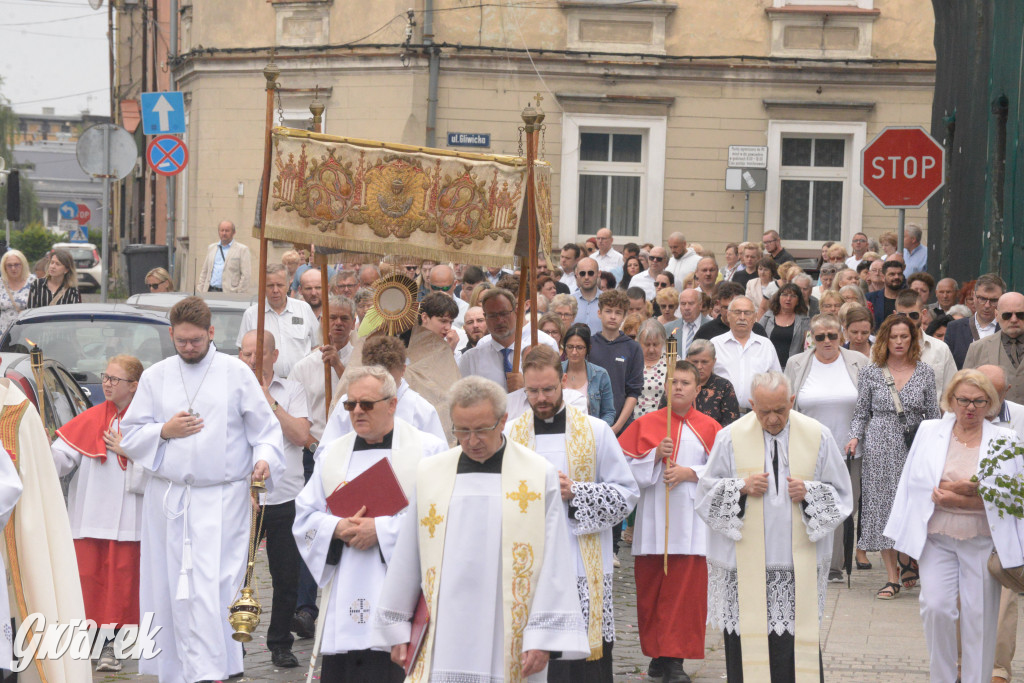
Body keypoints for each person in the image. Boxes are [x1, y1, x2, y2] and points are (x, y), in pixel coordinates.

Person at [374, 376, 590, 679]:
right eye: (462, 430)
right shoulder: (430, 473)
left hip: (509, 633)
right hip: (443, 628)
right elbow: (409, 556)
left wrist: (543, 639)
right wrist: (398, 627)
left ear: (502, 420)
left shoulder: (537, 474)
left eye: (481, 430)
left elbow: (555, 559)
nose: (472, 441)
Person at [120, 296, 286, 683]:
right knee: (169, 589)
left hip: (222, 500)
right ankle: (174, 672)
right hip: (169, 500)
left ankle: (218, 670)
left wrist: (263, 459)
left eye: (196, 340)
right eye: (182, 341)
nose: (189, 348)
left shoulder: (236, 373)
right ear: (171, 335)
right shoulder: (157, 376)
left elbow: (265, 431)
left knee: (214, 590)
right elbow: (129, 433)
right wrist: (164, 430)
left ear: (211, 333)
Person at [697, 371, 852, 682]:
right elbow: (705, 496)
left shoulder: (817, 435)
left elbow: (842, 495)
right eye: (763, 411)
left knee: (796, 646)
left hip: (798, 566)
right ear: (752, 405)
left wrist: (810, 492)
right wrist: (740, 487)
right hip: (745, 565)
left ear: (791, 401)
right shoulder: (731, 436)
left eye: (779, 410)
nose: (771, 419)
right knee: (746, 645)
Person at [293, 366, 446, 682]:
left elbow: (441, 517)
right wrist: (335, 528)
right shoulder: (332, 454)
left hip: (404, 591)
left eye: (367, 404)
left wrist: (381, 530)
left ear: (392, 404)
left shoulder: (427, 450)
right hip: (347, 585)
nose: (357, 411)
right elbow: (306, 516)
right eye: (350, 405)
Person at [505, 347, 639, 680]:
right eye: (532, 391)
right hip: (531, 563)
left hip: (582, 562)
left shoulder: (595, 431)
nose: (541, 398)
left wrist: (575, 493)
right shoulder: (510, 435)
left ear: (563, 381)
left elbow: (626, 494)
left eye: (548, 389)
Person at [884, 369, 1019, 683]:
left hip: (982, 540)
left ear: (991, 404)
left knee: (979, 618)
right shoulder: (930, 431)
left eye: (979, 401)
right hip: (937, 538)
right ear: (951, 400)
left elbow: (1013, 497)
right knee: (936, 608)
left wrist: (962, 499)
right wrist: (951, 491)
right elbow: (914, 482)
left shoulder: (1005, 439)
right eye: (963, 400)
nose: (970, 408)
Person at [619, 359, 723, 683]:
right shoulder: (648, 423)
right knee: (652, 591)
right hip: (653, 524)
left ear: (698, 389)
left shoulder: (710, 427)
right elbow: (622, 469)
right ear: (665, 387)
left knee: (684, 594)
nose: (678, 387)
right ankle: (658, 654)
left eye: (685, 383)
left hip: (691, 525)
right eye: (673, 382)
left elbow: (724, 473)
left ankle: (675, 660)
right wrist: (653, 457)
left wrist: (690, 472)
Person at [51, 354, 145, 673]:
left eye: (114, 379)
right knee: (89, 580)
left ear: (134, 386)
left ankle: (111, 646)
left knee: (120, 584)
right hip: (90, 514)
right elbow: (63, 459)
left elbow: (160, 467)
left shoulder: (148, 423)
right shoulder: (91, 418)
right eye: (105, 377)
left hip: (130, 519)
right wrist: (37, 451)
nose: (106, 383)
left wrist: (128, 449)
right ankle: (87, 641)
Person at [847, 314, 940, 599]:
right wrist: (854, 437)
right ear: (884, 340)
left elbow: (934, 414)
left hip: (914, 444)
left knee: (915, 504)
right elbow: (862, 411)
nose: (899, 342)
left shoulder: (925, 372)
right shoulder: (872, 372)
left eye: (904, 336)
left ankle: (908, 557)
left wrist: (938, 446)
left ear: (913, 340)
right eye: (893, 337)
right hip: (879, 443)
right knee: (882, 507)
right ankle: (892, 577)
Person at [238, 330, 310, 668]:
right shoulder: (231, 389)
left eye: (259, 353)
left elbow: (301, 435)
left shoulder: (292, 389)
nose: (252, 361)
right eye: (245, 353)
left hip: (284, 497)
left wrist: (269, 400)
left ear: (274, 355)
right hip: (242, 498)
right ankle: (231, 640)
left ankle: (280, 641)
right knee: (237, 573)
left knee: (286, 577)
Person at [288, 295, 356, 636]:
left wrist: (340, 369)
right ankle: (305, 607)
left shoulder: (360, 363)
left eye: (345, 318)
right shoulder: (303, 367)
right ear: (321, 324)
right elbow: (301, 416)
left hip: (352, 457)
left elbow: (359, 400)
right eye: (332, 318)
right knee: (313, 529)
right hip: (314, 456)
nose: (339, 324)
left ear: (355, 323)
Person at [784, 315, 869, 580]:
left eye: (832, 335)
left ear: (842, 335)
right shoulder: (797, 363)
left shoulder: (860, 362)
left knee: (844, 504)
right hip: (807, 448)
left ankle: (833, 565)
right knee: (807, 502)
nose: (827, 341)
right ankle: (807, 559)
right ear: (811, 338)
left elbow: (869, 405)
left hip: (850, 448)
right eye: (820, 336)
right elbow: (788, 405)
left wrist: (859, 435)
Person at [318, 335, 447, 456]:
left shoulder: (422, 410)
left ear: (403, 369)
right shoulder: (349, 403)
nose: (382, 384)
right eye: (375, 377)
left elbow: (438, 458)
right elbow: (325, 453)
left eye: (389, 377)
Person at [458, 287, 558, 391]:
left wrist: (527, 386)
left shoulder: (537, 354)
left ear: (516, 312)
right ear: (485, 317)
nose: (499, 320)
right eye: (493, 315)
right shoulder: (470, 359)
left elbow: (554, 393)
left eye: (504, 313)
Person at [711, 296, 781, 410]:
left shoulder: (766, 345)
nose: (742, 317)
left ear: (755, 317)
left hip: (756, 415)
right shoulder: (715, 344)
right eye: (737, 312)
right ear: (728, 316)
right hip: (721, 414)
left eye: (747, 313)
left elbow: (777, 382)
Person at [588, 290, 643, 435]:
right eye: (608, 311)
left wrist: (617, 426)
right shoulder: (589, 345)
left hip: (622, 425)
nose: (613, 316)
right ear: (599, 313)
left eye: (618, 312)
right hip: (591, 423)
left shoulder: (633, 348)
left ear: (624, 316)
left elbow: (633, 392)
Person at [963, 290, 1024, 404]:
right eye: (1007, 315)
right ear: (997, 315)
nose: (1014, 319)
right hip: (993, 419)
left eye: (1020, 315)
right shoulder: (977, 349)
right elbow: (966, 391)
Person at [895, 290, 958, 398]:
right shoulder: (881, 348)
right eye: (902, 315)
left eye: (913, 315)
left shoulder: (941, 349)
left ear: (923, 314)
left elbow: (952, 392)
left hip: (933, 414)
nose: (907, 320)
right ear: (894, 315)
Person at [945, 273, 1006, 368]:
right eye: (982, 298)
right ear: (973, 296)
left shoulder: (1009, 329)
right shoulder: (954, 328)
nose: (987, 305)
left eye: (994, 300)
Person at [562, 323, 617, 426]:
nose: (574, 352)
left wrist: (597, 430)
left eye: (579, 347)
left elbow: (609, 413)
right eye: (570, 347)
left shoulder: (601, 375)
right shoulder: (555, 372)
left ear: (588, 348)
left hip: (590, 432)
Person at [685, 339, 740, 426]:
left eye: (704, 362)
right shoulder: (677, 384)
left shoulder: (724, 387)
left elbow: (731, 424)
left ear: (714, 361)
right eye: (695, 362)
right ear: (687, 361)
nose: (699, 367)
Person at [759, 283, 811, 370]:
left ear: (798, 301)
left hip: (793, 369)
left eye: (793, 296)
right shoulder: (768, 316)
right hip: (768, 367)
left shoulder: (804, 320)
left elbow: (809, 347)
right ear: (778, 297)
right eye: (785, 295)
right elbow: (756, 336)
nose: (788, 299)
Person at [696, 282, 768, 341]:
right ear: (718, 304)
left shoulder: (757, 330)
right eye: (726, 307)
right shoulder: (706, 332)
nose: (729, 313)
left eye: (736, 309)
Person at [197, 220, 252, 293]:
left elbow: (246, 275)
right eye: (222, 230)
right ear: (218, 232)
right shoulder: (211, 248)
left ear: (233, 233)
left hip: (229, 293)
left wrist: (239, 294)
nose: (224, 233)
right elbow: (204, 271)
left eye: (227, 231)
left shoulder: (242, 249)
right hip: (209, 291)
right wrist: (200, 290)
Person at [635, 319, 669, 419]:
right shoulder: (632, 362)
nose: (651, 349)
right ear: (638, 342)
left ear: (663, 342)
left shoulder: (673, 362)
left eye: (655, 344)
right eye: (647, 344)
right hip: (636, 420)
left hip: (663, 421)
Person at [865, 259, 906, 329]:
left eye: (899, 274)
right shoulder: (870, 298)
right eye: (892, 274)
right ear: (883, 278)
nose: (896, 277)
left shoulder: (909, 298)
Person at [0, 248, 34, 332]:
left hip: (28, 331)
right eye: (9, 265)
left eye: (16, 265)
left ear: (23, 265)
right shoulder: (1, 282)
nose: (13, 268)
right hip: (4, 334)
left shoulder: (33, 282)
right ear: (4, 267)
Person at [673, 288, 712, 355]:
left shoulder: (711, 328)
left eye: (691, 303)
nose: (686, 308)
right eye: (683, 304)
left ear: (700, 305)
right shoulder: (669, 329)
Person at [573, 257, 602, 334]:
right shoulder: (569, 301)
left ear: (599, 274)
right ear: (577, 275)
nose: (586, 277)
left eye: (590, 273)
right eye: (582, 273)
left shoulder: (608, 301)